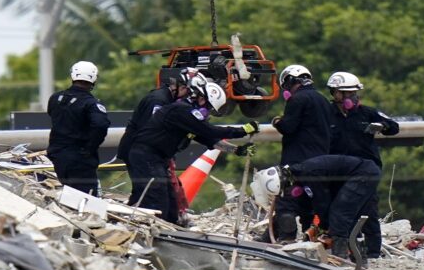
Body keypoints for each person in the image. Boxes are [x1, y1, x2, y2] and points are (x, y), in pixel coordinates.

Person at [126, 73, 258, 224]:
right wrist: (242, 130)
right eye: (208, 107)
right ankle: (147, 232)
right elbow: (209, 131)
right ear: (201, 98)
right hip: (146, 156)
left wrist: (237, 150)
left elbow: (208, 139)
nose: (208, 112)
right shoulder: (181, 111)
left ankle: (169, 232)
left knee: (171, 206)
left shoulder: (187, 117)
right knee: (157, 201)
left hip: (157, 159)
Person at [327, 71, 399, 258]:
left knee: (369, 212)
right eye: (346, 93)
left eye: (354, 92)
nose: (351, 97)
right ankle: (347, 248)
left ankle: (373, 252)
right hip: (338, 171)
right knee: (341, 210)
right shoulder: (326, 114)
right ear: (335, 93)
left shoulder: (367, 113)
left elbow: (394, 127)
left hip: (366, 171)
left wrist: (382, 126)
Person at [252, 155, 381, 258]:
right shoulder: (300, 173)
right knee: (365, 210)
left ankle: (340, 255)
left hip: (363, 173)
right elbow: (305, 206)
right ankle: (371, 251)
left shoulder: (310, 175)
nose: (288, 190)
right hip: (366, 171)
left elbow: (322, 204)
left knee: (340, 212)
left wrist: (325, 229)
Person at [266, 64, 335, 242]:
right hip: (320, 161)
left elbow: (289, 127)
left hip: (296, 161)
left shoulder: (297, 100)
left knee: (286, 203)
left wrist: (277, 122)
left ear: (290, 81)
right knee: (308, 204)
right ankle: (309, 240)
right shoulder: (323, 101)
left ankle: (286, 238)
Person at [46, 61, 111, 196]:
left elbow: (52, 115)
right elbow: (100, 125)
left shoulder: (55, 98)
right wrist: (89, 148)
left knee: (68, 196)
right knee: (86, 200)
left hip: (58, 156)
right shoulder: (91, 103)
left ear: (73, 75)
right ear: (94, 78)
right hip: (79, 159)